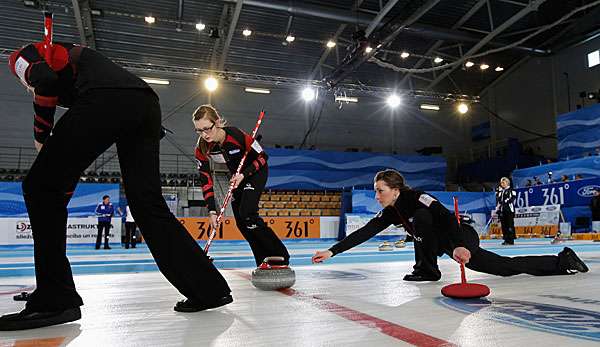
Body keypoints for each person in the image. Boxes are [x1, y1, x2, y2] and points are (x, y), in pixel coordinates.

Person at [1, 41, 231, 331]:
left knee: (39, 187)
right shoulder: (68, 65)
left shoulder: (19, 58)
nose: (27, 87)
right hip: (144, 105)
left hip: (108, 100)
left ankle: (55, 298)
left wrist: (41, 130)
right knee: (147, 205)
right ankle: (208, 288)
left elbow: (43, 79)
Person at [312, 169, 588, 282]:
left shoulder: (417, 197)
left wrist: (459, 245)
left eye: (380, 190)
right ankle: (560, 261)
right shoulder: (392, 210)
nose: (376, 196)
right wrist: (332, 252)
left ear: (395, 189)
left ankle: (427, 270)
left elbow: (444, 217)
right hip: (445, 242)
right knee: (504, 269)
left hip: (460, 235)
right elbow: (365, 231)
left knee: (422, 218)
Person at [192, 105, 290, 266]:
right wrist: (211, 210)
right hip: (237, 178)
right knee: (240, 221)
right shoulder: (202, 149)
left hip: (255, 171)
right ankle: (262, 259)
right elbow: (205, 180)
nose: (204, 134)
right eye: (198, 130)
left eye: (207, 129)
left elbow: (264, 157)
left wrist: (244, 174)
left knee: (247, 213)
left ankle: (280, 254)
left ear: (217, 122)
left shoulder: (236, 135)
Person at [496, 177, 516, 245]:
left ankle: (511, 240)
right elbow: (499, 201)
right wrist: (497, 208)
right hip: (502, 211)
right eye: (501, 183)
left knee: (509, 225)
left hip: (509, 210)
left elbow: (512, 198)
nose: (502, 184)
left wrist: (505, 201)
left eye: (503, 182)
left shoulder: (511, 190)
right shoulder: (501, 192)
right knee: (504, 226)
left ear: (507, 183)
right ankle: (506, 239)